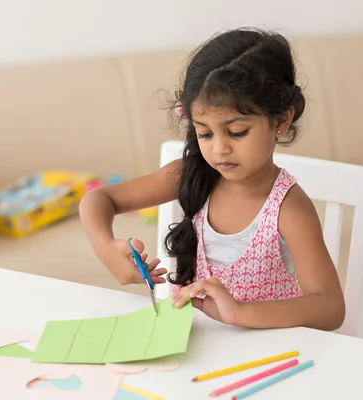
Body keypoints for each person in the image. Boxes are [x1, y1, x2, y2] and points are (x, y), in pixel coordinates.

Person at [79, 27, 345, 331]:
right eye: (204, 133)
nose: (219, 149)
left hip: (267, 357)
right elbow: (99, 199)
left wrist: (239, 313)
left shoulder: (289, 208)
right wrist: (104, 246)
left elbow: (330, 307)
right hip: (193, 351)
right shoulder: (189, 175)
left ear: (281, 120)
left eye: (236, 132)